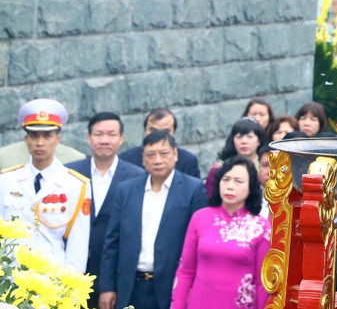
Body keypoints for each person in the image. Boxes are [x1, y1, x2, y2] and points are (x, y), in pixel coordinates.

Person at [99, 131, 207, 309]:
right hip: (131, 286)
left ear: (175, 154)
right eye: (151, 155)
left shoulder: (193, 189)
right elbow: (112, 241)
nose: (157, 160)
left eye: (164, 154)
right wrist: (107, 287)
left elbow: (200, 243)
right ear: (143, 158)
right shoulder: (126, 190)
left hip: (171, 285)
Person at [0, 99, 91, 272]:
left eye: (47, 136)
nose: (40, 142)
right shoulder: (6, 180)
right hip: (11, 275)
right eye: (34, 136)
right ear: (26, 139)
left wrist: (70, 289)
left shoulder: (75, 184)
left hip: (52, 275)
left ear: (58, 139)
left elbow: (78, 244)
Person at [66, 112, 146, 304]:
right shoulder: (69, 173)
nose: (104, 140)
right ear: (88, 138)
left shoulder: (137, 177)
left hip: (114, 276)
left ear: (121, 139)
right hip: (71, 272)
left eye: (111, 134)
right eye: (98, 134)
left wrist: (110, 285)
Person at [171, 157, 271, 309]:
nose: (230, 186)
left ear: (251, 187)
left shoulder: (261, 227)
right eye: (226, 179)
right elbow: (185, 271)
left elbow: (262, 283)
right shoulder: (200, 218)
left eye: (238, 181)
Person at [119, 109, 201, 178]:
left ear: (173, 133)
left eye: (165, 131)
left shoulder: (187, 161)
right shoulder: (126, 159)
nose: (159, 135)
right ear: (145, 131)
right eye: (153, 130)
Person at [204, 119, 265, 199]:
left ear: (259, 141)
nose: (244, 141)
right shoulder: (219, 168)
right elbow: (211, 197)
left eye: (250, 137)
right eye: (239, 137)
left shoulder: (265, 166)